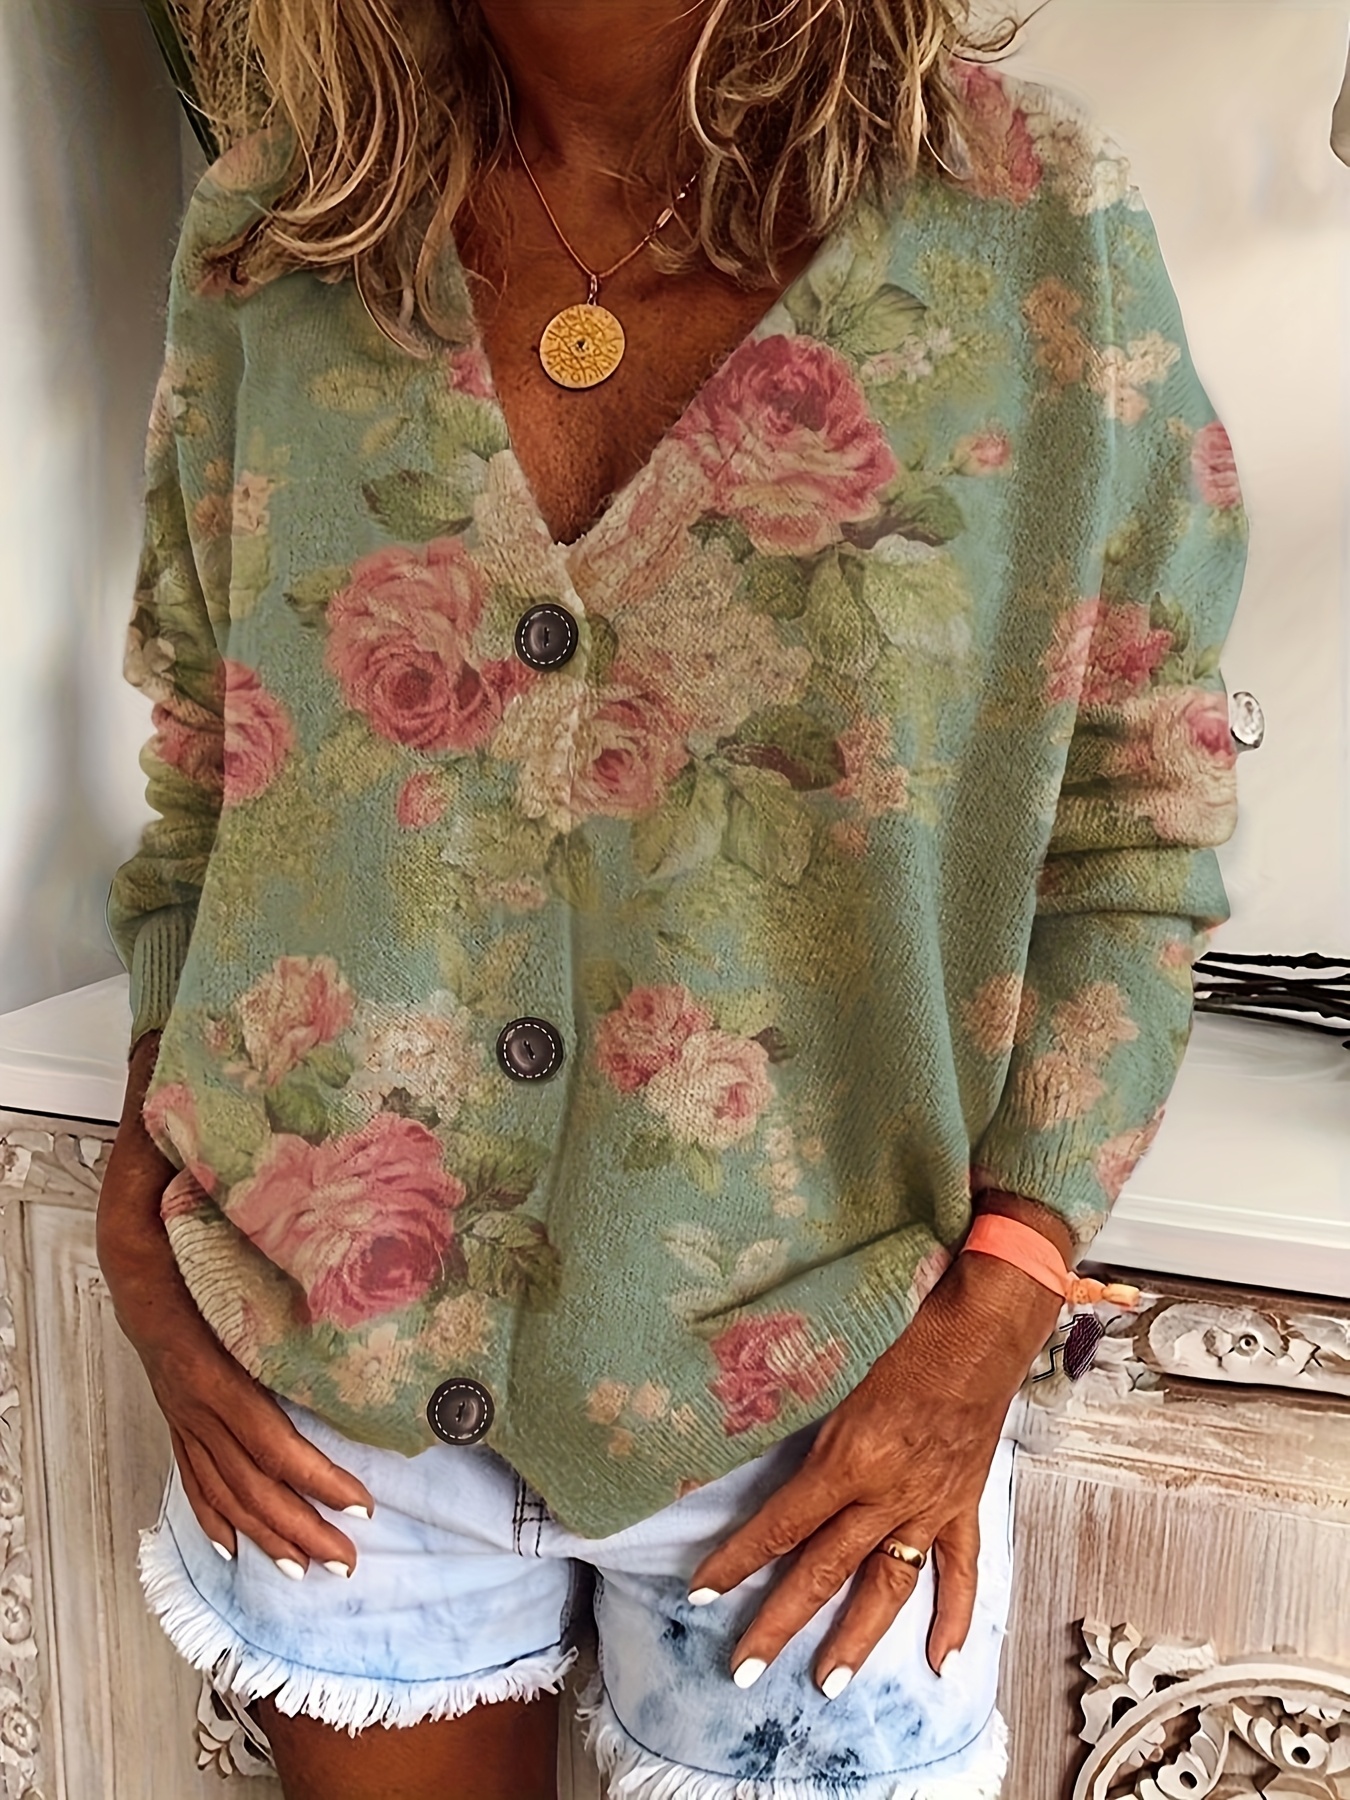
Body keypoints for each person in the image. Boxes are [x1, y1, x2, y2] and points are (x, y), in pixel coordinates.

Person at [98, 1, 1249, 1795]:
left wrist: (999, 1310)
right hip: (326, 1364)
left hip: (825, 1396)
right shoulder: (283, 230)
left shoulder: (1027, 220)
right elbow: (201, 786)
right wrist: (138, 1216)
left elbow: (1132, 830)